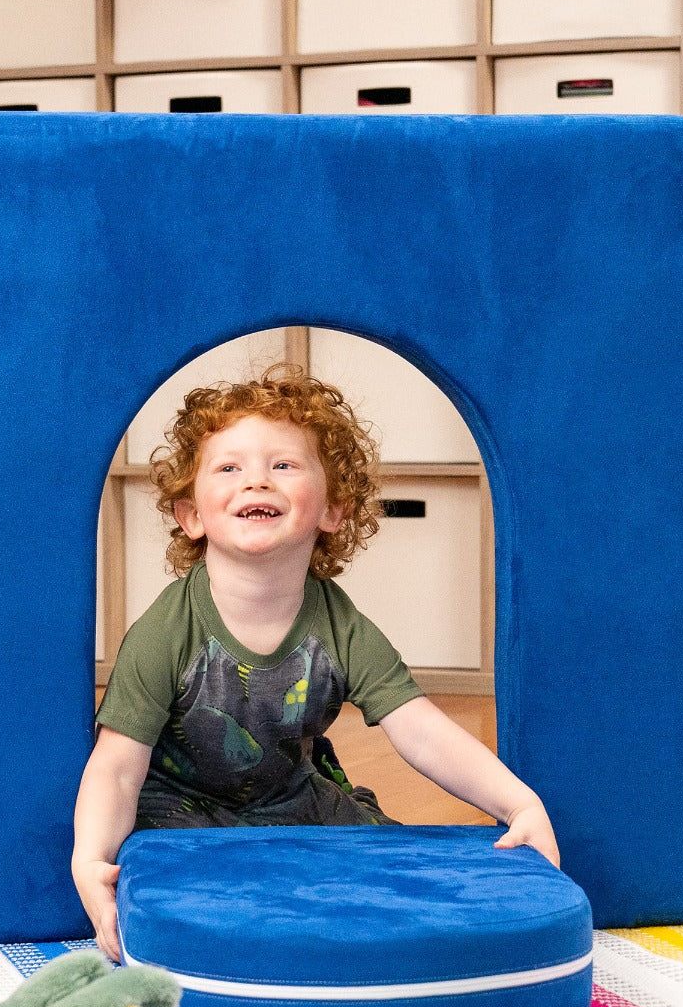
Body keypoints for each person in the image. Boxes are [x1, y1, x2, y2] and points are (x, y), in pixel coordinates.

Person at [73, 363, 558, 961]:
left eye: (283, 465)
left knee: (390, 864)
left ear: (333, 509)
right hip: (178, 809)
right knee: (187, 882)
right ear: (192, 515)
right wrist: (90, 860)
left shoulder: (340, 625)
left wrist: (519, 804)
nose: (257, 482)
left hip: (292, 798)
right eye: (229, 468)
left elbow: (421, 731)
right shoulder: (166, 631)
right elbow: (118, 767)